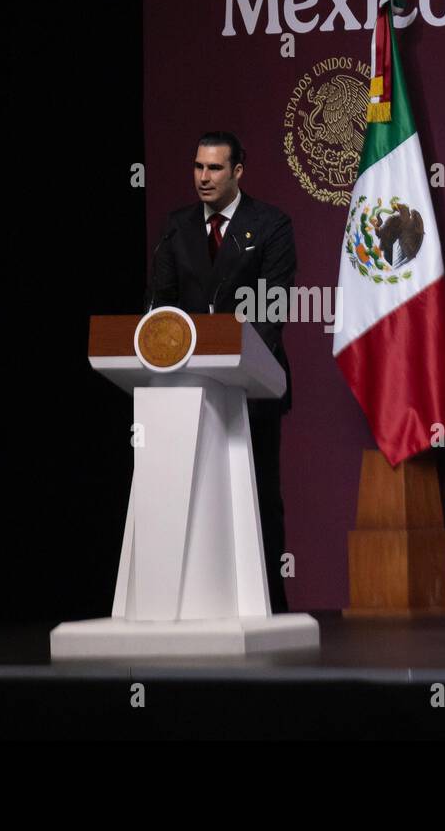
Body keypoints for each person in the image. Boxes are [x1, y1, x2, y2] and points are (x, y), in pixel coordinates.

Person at [146, 131, 296, 613]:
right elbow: (161, 308)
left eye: (213, 169)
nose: (202, 178)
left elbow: (273, 309)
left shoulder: (270, 224)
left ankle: (269, 607)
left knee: (259, 499)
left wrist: (235, 355)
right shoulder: (177, 228)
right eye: (197, 167)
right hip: (185, 390)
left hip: (251, 388)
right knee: (194, 500)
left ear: (237, 172)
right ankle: (194, 607)